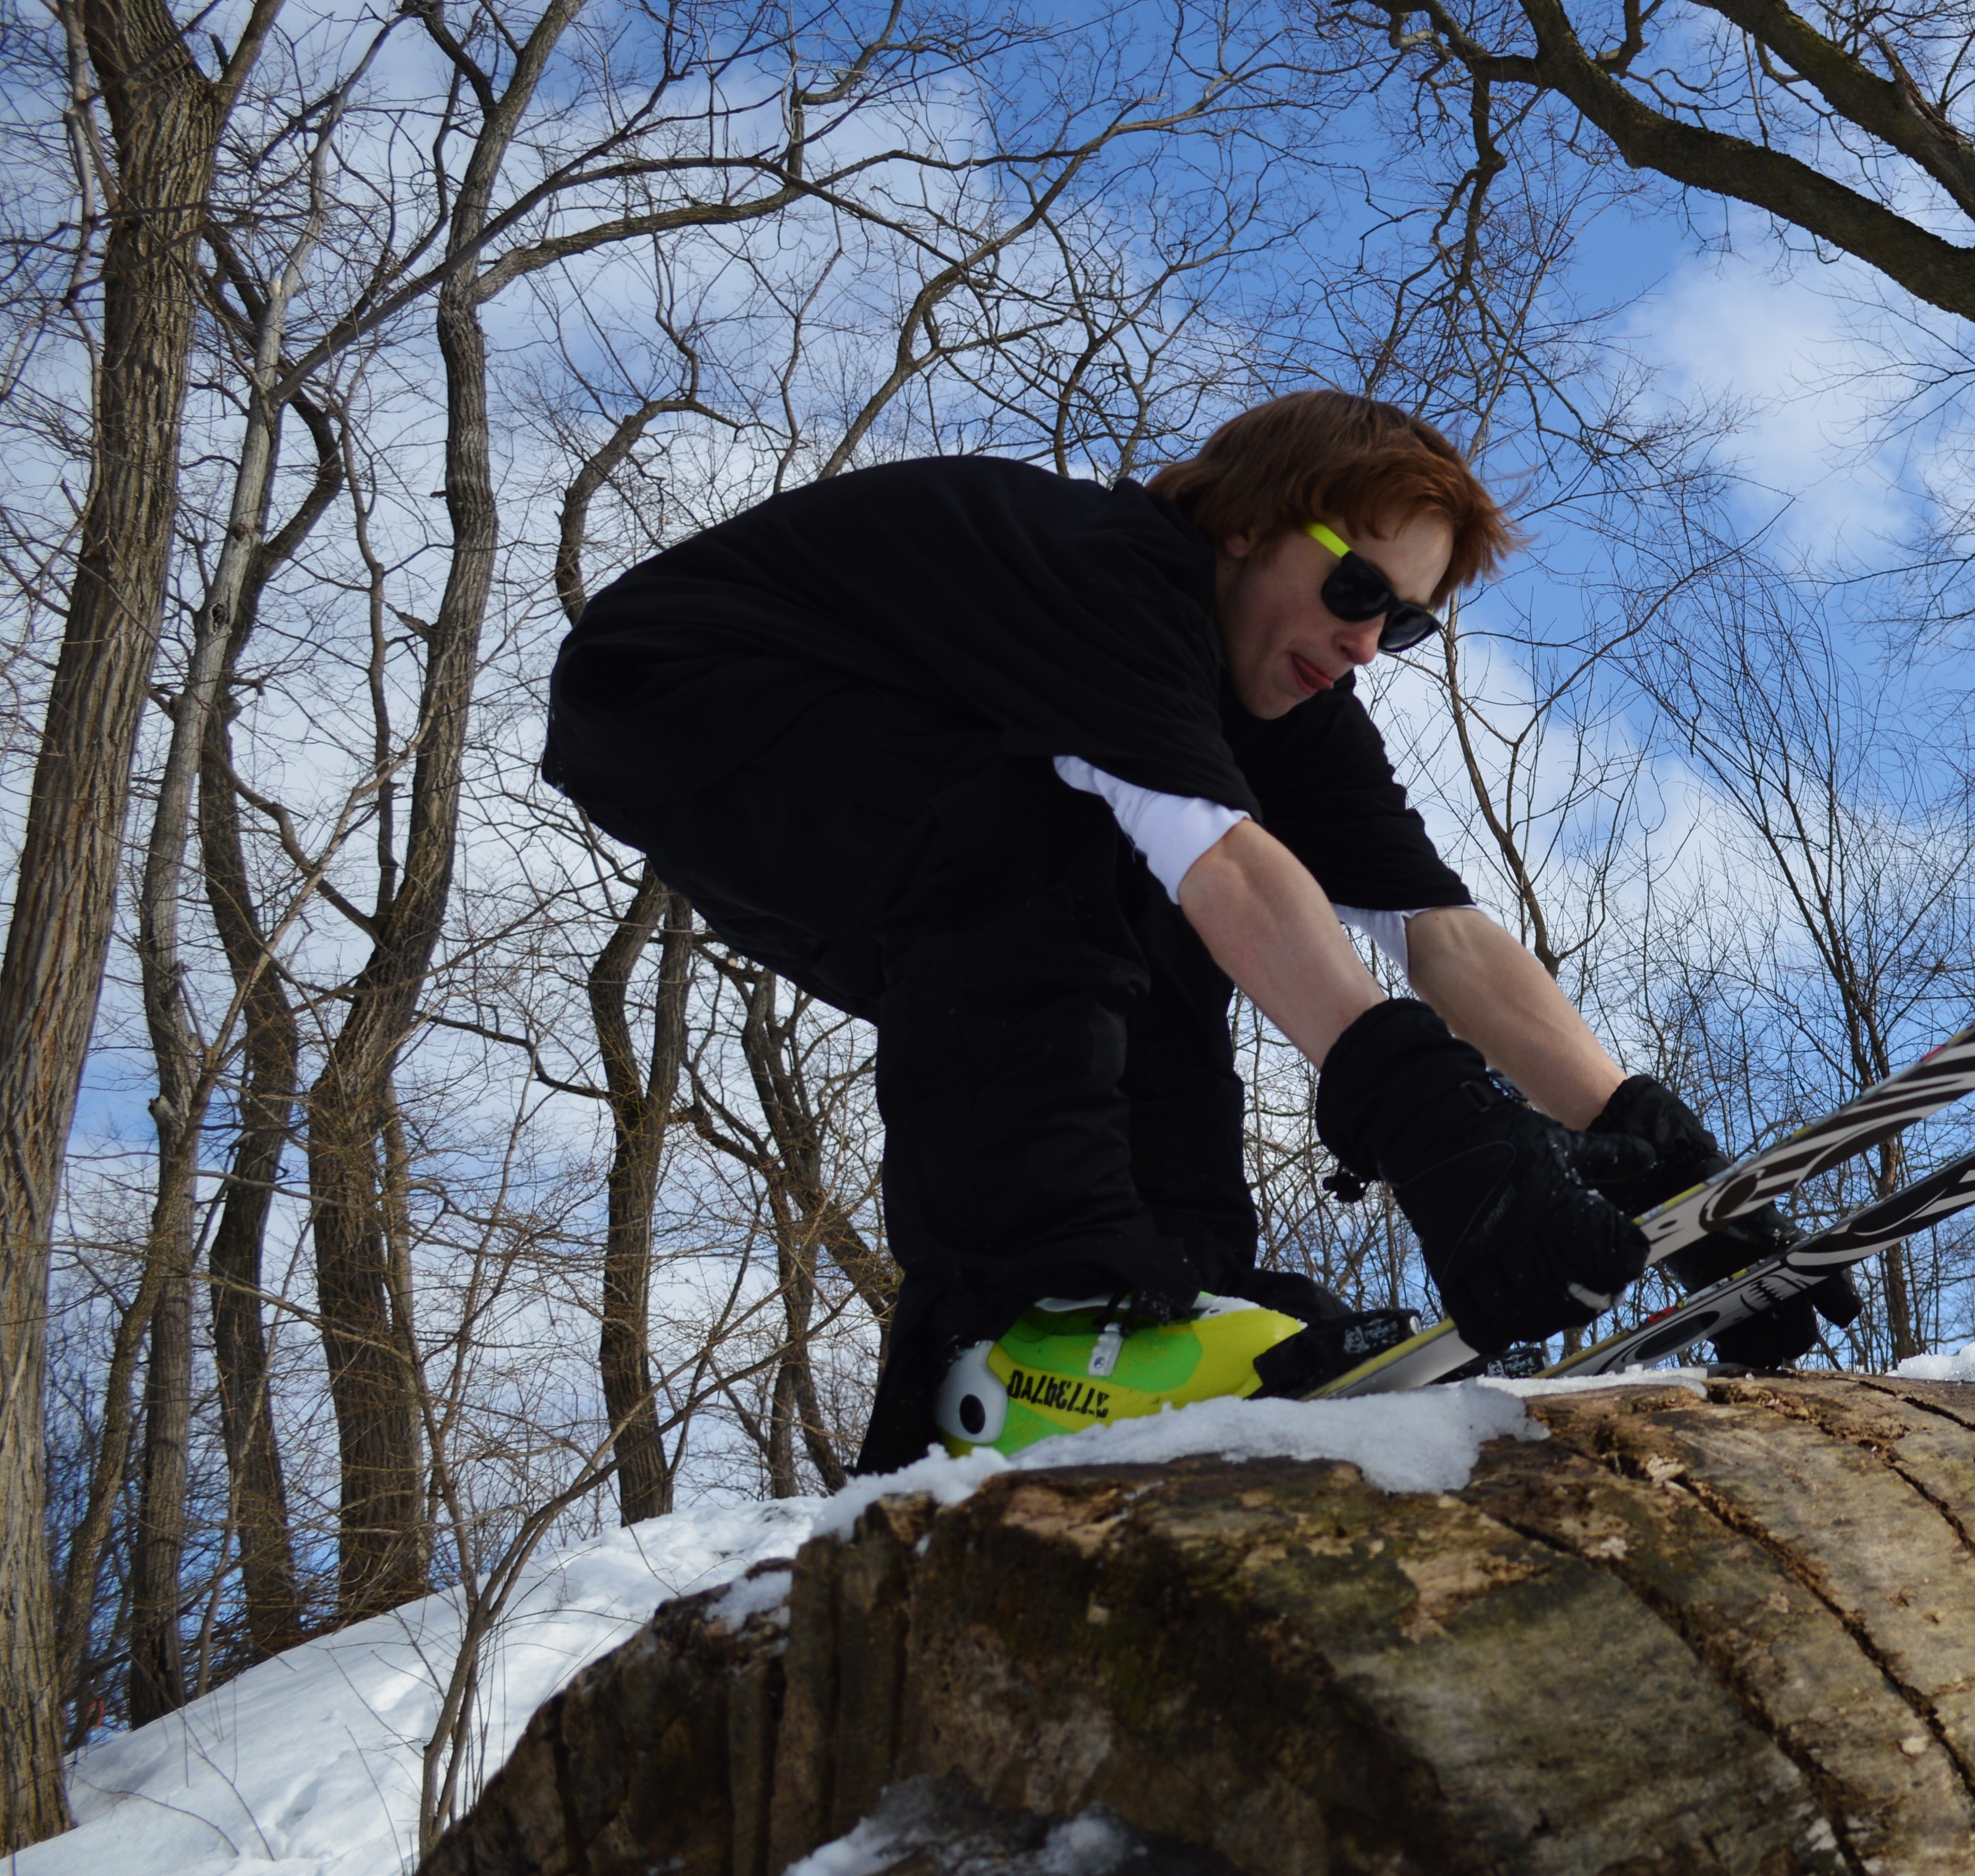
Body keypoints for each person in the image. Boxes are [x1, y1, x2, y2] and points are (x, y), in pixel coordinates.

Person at [540, 391, 1809, 1473]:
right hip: (688, 692)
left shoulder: (1290, 705)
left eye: (1404, 621)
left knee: (1153, 898)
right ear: (1247, 523)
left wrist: (1663, 1165)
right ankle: (1029, 1317)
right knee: (1071, 830)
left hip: (881, 765)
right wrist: (1432, 1127)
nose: (1366, 640)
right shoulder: (1118, 573)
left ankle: (1160, 1311)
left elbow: (1446, 936)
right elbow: (1234, 875)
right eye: (1356, 585)